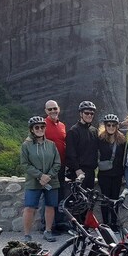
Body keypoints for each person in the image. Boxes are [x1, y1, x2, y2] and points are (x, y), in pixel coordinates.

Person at [20, 116, 61, 242]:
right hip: (33, 181)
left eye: (42, 127)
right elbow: (25, 164)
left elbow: (57, 163)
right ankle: (27, 235)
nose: (40, 129)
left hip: (51, 180)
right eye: (36, 127)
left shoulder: (51, 145)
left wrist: (48, 176)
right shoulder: (26, 146)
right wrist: (40, 175)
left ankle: (48, 231)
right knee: (29, 207)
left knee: (50, 206)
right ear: (32, 129)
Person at [40, 99, 69, 233]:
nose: (53, 111)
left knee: (59, 195)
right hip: (47, 167)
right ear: (46, 111)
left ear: (59, 109)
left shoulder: (62, 125)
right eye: (50, 109)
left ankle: (58, 224)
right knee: (47, 196)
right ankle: (46, 226)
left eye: (54, 108)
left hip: (61, 166)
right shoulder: (42, 125)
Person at [97, 114, 126, 229]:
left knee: (114, 199)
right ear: (105, 126)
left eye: (113, 125)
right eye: (108, 125)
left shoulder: (122, 140)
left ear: (117, 126)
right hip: (104, 174)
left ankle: (113, 223)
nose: (111, 127)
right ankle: (105, 223)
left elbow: (124, 156)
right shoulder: (100, 139)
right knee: (105, 199)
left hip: (117, 174)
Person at [65, 101, 99, 189]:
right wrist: (77, 169)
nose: (89, 115)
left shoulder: (94, 131)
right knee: (78, 201)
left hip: (91, 171)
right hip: (78, 172)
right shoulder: (73, 131)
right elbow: (70, 153)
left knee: (90, 200)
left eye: (92, 113)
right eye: (86, 113)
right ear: (81, 114)